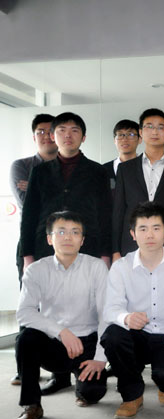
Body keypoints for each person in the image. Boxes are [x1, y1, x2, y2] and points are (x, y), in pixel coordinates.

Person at [14, 211, 109, 419]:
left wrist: (99, 358)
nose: (68, 237)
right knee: (26, 339)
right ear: (50, 239)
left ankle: (80, 384)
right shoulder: (36, 270)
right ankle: (32, 405)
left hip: (87, 342)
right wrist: (61, 332)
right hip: (54, 343)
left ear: (82, 240)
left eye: (75, 232)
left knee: (93, 393)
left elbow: (106, 314)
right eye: (61, 232)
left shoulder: (96, 267)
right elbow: (24, 312)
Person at [101, 202, 164, 419]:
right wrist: (126, 317)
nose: (149, 235)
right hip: (137, 336)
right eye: (143, 229)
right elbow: (110, 309)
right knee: (113, 335)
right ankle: (131, 395)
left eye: (156, 228)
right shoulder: (121, 267)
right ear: (133, 234)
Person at [20, 112, 112, 268]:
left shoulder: (98, 171)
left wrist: (105, 254)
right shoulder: (40, 171)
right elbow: (29, 214)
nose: (68, 135)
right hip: (46, 247)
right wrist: (27, 255)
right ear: (53, 136)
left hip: (88, 247)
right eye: (62, 130)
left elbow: (105, 214)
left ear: (83, 138)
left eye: (74, 130)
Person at [9, 113, 58, 386]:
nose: (47, 136)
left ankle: (59, 366)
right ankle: (25, 368)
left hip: (62, 244)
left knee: (59, 303)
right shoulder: (22, 165)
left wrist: (37, 187)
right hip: (32, 243)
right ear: (34, 136)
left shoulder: (67, 167)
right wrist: (55, 193)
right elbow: (27, 203)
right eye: (41, 131)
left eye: (51, 131)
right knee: (29, 303)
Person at [112, 108, 164, 259]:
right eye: (149, 126)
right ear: (141, 132)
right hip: (131, 244)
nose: (155, 132)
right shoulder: (125, 169)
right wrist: (115, 250)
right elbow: (119, 211)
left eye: (160, 127)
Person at [103, 119, 141, 192]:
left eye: (130, 135)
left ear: (140, 139)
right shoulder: (104, 170)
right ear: (114, 140)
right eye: (120, 135)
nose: (124, 139)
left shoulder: (147, 168)